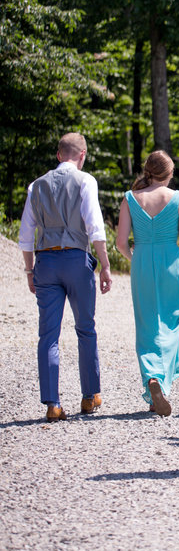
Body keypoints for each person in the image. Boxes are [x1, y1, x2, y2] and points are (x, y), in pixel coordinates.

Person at [19, 133, 113, 421]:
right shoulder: (86, 181)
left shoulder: (36, 186)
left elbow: (25, 235)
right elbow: (95, 226)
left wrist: (29, 270)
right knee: (85, 328)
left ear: (59, 155)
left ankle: (53, 404)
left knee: (48, 334)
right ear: (82, 155)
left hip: (45, 261)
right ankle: (89, 396)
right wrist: (106, 265)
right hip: (75, 259)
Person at [115, 150, 179, 416]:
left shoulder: (130, 199)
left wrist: (136, 257)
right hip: (172, 264)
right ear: (169, 172)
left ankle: (153, 377)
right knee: (173, 322)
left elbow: (120, 244)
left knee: (147, 325)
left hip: (142, 262)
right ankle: (160, 381)